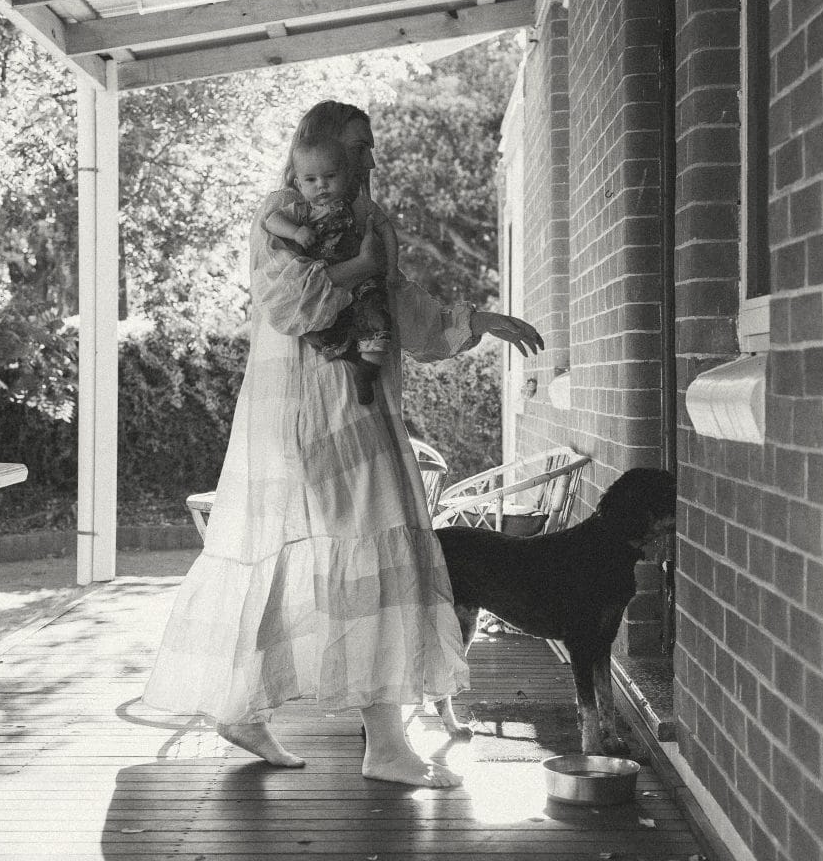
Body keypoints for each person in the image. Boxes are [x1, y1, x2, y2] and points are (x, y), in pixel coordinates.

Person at [142, 100, 543, 788]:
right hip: (311, 408)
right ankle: (384, 745)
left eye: (369, 147)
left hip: (356, 405)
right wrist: (360, 267)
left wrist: (477, 319)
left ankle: (242, 705)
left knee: (324, 556)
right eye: (358, 146)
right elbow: (291, 302)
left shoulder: (371, 219)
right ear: (321, 148)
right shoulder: (283, 213)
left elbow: (403, 306)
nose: (370, 159)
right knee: (373, 554)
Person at [261, 131, 391, 405]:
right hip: (329, 283)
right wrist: (296, 232)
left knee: (375, 310)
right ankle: (348, 353)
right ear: (299, 182)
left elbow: (385, 227)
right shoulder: (302, 210)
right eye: (311, 180)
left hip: (360, 281)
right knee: (316, 325)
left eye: (330, 177)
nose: (321, 185)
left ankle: (368, 367)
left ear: (344, 174)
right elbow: (272, 221)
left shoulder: (357, 206)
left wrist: (389, 264)